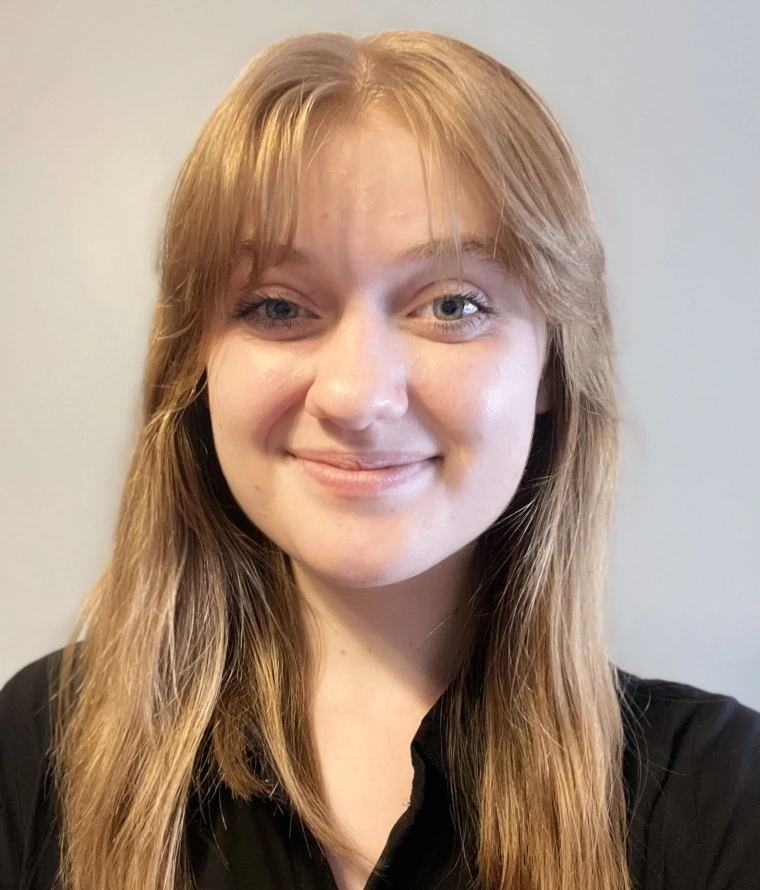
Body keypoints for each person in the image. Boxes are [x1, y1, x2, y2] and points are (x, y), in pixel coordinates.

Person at [0, 28, 758, 890]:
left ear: (553, 362)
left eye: (455, 304)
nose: (359, 396)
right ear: (195, 363)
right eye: (278, 307)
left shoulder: (719, 801)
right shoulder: (39, 749)